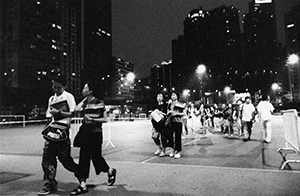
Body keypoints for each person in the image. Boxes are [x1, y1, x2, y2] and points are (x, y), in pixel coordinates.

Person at [38, 74, 85, 196]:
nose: (55, 89)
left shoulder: (69, 97)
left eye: (58, 87)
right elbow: (49, 114)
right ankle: (49, 184)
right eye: (54, 86)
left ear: (64, 86)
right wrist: (52, 115)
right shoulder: (51, 99)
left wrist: (58, 113)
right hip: (52, 131)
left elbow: (73, 113)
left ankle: (82, 177)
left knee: (66, 160)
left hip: (63, 131)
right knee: (47, 160)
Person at [71, 82, 117, 195]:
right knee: (84, 157)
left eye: (85, 88)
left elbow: (105, 119)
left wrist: (91, 119)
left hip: (96, 133)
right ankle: (82, 184)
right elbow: (76, 109)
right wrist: (84, 100)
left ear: (90, 90)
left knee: (96, 157)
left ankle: (110, 171)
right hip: (85, 133)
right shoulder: (85, 102)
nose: (82, 89)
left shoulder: (99, 102)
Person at [166, 91, 186, 159]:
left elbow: (184, 113)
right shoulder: (170, 104)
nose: (172, 96)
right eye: (172, 95)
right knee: (170, 136)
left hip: (178, 122)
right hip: (171, 122)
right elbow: (167, 111)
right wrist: (169, 112)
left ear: (177, 96)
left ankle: (178, 151)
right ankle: (173, 149)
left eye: (174, 95)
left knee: (177, 137)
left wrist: (176, 114)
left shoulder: (180, 104)